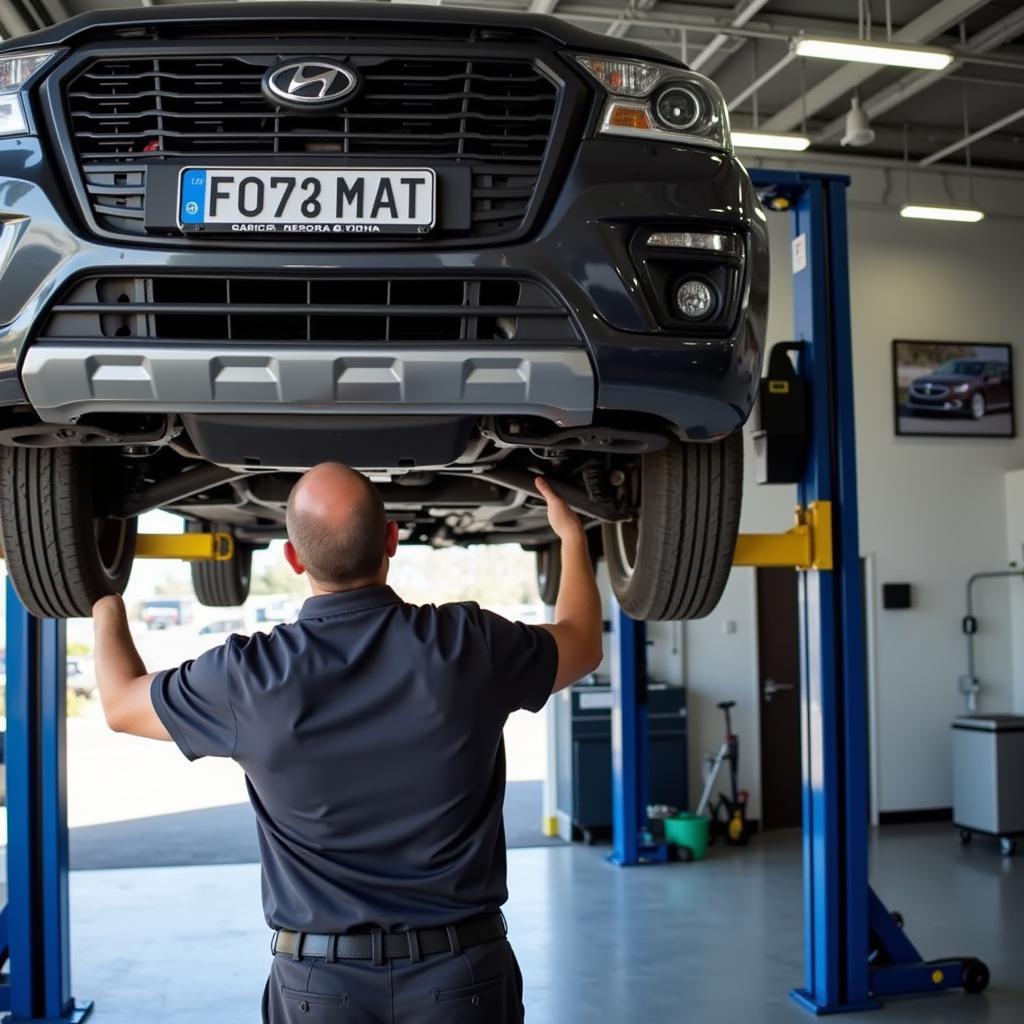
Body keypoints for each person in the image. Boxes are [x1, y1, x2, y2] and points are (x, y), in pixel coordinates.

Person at [92, 463, 603, 1023]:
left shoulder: (246, 677)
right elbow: (581, 642)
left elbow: (120, 704)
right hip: (461, 977)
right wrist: (573, 540)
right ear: (391, 540)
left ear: (293, 558)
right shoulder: (469, 646)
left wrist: (102, 595)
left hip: (319, 984)